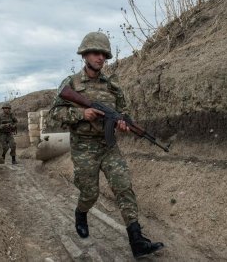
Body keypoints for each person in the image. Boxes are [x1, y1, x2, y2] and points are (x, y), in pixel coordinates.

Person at [50, 31, 164, 258]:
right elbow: (54, 114)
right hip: (83, 148)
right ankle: (81, 214)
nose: (100, 57)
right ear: (84, 55)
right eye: (95, 52)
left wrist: (123, 123)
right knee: (90, 193)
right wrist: (82, 113)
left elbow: (124, 113)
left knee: (123, 187)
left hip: (108, 147)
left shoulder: (113, 87)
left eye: (103, 54)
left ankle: (137, 241)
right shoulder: (71, 84)